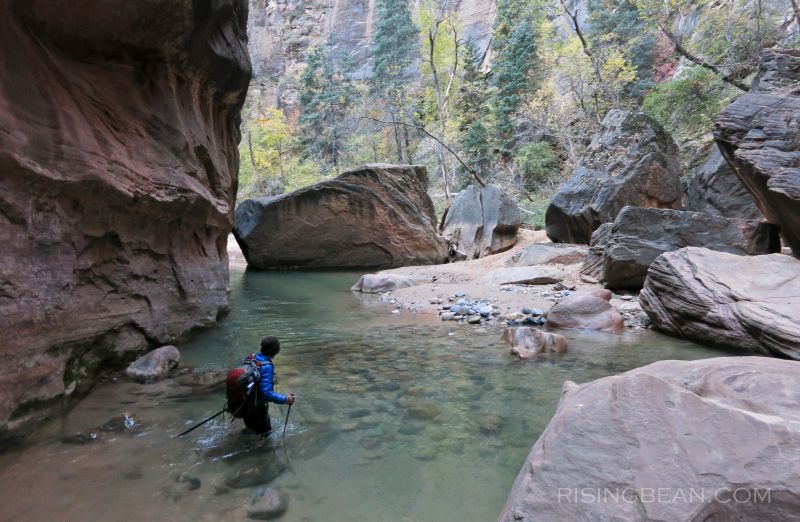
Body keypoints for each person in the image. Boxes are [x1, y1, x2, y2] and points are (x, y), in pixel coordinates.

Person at [242, 336, 296, 435]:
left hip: (244, 403)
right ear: (276, 351)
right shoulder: (267, 366)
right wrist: (285, 400)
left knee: (251, 430)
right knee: (265, 435)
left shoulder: (251, 357)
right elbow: (266, 393)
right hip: (257, 407)